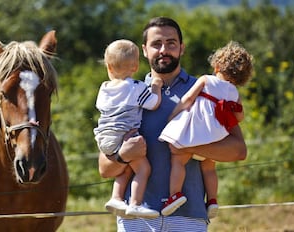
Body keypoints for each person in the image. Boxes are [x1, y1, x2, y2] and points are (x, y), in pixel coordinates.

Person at [98, 16, 247, 232]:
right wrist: (123, 155)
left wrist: (189, 146)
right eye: (156, 44)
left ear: (182, 48)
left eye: (171, 43)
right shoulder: (129, 93)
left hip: (188, 218)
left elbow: (238, 151)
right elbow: (105, 169)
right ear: (145, 51)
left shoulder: (207, 90)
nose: (163, 50)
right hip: (136, 220)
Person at [158, 41, 253, 218]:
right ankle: (212, 200)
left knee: (178, 160)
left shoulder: (206, 80)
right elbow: (239, 117)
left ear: (217, 65)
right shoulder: (234, 93)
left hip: (196, 131)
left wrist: (173, 115)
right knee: (209, 168)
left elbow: (187, 99)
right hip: (215, 135)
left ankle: (174, 195)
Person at [93, 39, 163, 218]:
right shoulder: (136, 87)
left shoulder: (104, 88)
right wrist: (155, 86)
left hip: (104, 138)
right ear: (135, 67)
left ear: (108, 67)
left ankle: (116, 197)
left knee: (126, 167)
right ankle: (135, 204)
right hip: (126, 136)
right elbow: (153, 103)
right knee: (143, 169)